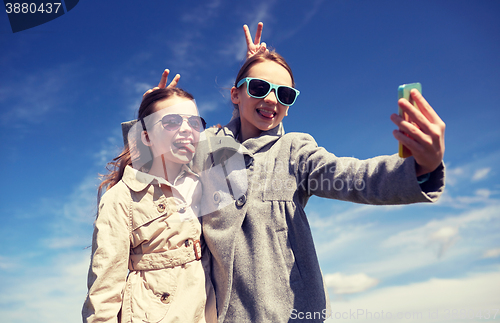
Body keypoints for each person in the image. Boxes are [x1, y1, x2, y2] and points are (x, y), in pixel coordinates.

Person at [138, 23, 445, 322]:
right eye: (259, 88)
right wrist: (153, 118)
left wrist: (421, 167)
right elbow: (149, 169)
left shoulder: (295, 152)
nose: (272, 99)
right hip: (220, 315)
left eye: (284, 94)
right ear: (235, 95)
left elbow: (353, 177)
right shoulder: (209, 146)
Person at [82, 86, 217, 323]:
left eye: (194, 123)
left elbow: (251, 142)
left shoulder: (204, 181)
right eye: (172, 121)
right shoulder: (122, 197)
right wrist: (149, 112)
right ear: (145, 136)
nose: (186, 129)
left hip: (204, 312)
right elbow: (103, 293)